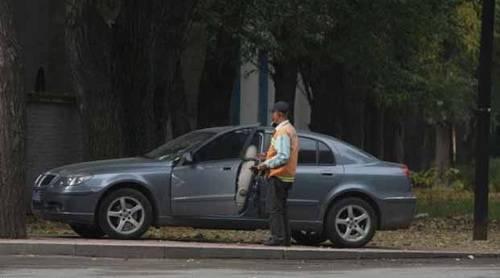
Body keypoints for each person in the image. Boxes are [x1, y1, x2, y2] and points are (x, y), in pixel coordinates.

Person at [255, 101, 299, 246]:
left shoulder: (282, 131)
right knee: (282, 209)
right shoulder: (290, 129)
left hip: (278, 175)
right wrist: (266, 156)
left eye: (273, 112)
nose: (272, 115)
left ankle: (277, 238)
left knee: (274, 209)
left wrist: (264, 164)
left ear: (279, 114)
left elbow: (283, 156)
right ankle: (285, 239)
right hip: (287, 175)